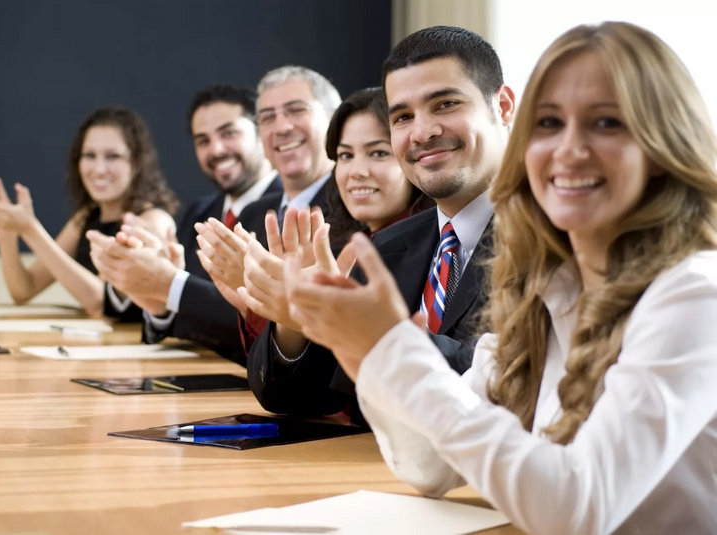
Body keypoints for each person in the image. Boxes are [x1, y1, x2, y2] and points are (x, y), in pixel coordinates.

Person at [284, 22, 717, 534]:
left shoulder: (695, 293)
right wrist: (368, 353)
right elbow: (427, 467)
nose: (568, 150)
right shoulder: (544, 285)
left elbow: (579, 509)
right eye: (550, 123)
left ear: (665, 142)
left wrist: (394, 348)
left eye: (606, 123)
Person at [245, 26, 515, 422]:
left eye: (445, 105)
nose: (422, 132)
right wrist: (297, 321)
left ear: (504, 106)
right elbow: (304, 398)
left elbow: (521, 384)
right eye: (403, 116)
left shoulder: (558, 238)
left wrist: (385, 336)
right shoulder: (388, 248)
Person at [89, 67, 340, 365]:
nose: (281, 127)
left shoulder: (354, 207)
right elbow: (233, 327)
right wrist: (159, 304)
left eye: (296, 110)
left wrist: (169, 284)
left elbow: (305, 335)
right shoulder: (249, 212)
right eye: (268, 117)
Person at [203, 87, 434, 360]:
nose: (357, 172)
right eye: (346, 156)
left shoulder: (436, 247)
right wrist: (256, 305)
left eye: (378, 153)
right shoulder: (338, 241)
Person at [97, 86, 282, 320]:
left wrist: (169, 284)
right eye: (203, 141)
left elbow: (266, 322)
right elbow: (181, 311)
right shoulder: (198, 213)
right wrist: (147, 287)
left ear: (261, 133)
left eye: (229, 133)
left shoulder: (290, 208)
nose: (216, 150)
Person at [0, 106, 178, 317]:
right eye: (90, 155)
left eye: (113, 156)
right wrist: (7, 235)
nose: (99, 169)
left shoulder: (153, 220)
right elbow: (24, 290)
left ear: (136, 163)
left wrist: (30, 229)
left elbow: (101, 302)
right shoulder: (85, 218)